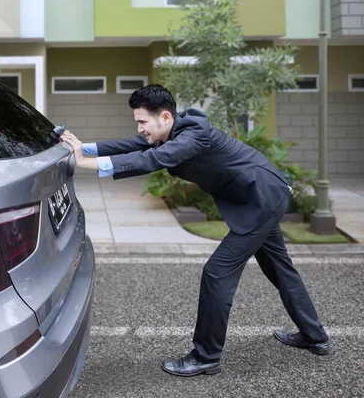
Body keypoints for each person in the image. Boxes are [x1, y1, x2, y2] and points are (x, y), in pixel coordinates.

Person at [60, 84, 330, 377]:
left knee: (217, 273)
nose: (139, 128)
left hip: (260, 201)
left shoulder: (194, 135)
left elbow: (153, 159)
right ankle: (315, 336)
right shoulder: (173, 132)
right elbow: (133, 146)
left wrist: (85, 163)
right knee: (280, 270)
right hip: (263, 197)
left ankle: (206, 356)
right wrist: (79, 147)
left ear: (165, 117)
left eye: (142, 121)